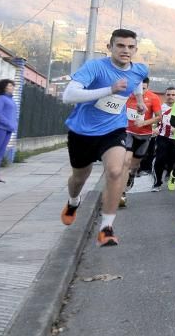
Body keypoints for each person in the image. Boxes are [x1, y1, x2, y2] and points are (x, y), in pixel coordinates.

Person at [60, 29, 148, 247]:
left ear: (135, 49)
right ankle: (73, 202)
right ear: (110, 47)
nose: (125, 50)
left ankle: (106, 227)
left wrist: (139, 98)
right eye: (120, 46)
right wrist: (109, 90)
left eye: (130, 47)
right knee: (80, 177)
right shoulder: (95, 67)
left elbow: (135, 80)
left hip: (113, 130)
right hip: (83, 131)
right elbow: (68, 96)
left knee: (116, 170)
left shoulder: (140, 69)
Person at [122, 78, 162, 205]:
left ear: (147, 87)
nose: (139, 92)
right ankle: (121, 191)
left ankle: (132, 175)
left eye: (143, 89)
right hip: (128, 132)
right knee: (126, 161)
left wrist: (144, 122)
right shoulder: (126, 96)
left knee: (134, 165)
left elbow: (159, 117)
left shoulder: (153, 98)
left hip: (144, 135)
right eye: (137, 89)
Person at [151, 87, 175, 191]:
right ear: (165, 95)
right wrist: (154, 129)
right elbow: (153, 121)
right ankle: (157, 183)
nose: (170, 97)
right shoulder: (159, 108)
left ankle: (170, 172)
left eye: (173, 95)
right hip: (162, 137)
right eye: (168, 95)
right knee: (159, 159)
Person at [0, 79, 19, 183]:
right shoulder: (1, 99)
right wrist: (8, 123)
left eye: (13, 85)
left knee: (0, 152)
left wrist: (13, 125)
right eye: (10, 85)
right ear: (4, 87)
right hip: (0, 128)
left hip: (8, 130)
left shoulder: (11, 100)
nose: (13, 87)